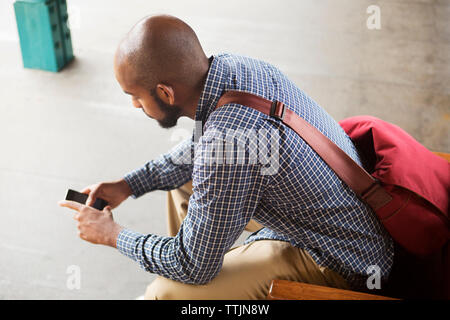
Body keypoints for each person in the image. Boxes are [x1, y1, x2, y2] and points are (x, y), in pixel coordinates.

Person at [58, 14, 394, 299]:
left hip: (340, 258)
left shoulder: (226, 145)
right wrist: (129, 185)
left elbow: (194, 264)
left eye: (135, 96)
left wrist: (112, 235)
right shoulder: (234, 69)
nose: (134, 105)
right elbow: (199, 150)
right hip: (345, 216)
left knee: (165, 293)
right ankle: (205, 263)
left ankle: (193, 283)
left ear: (165, 92)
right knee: (182, 184)